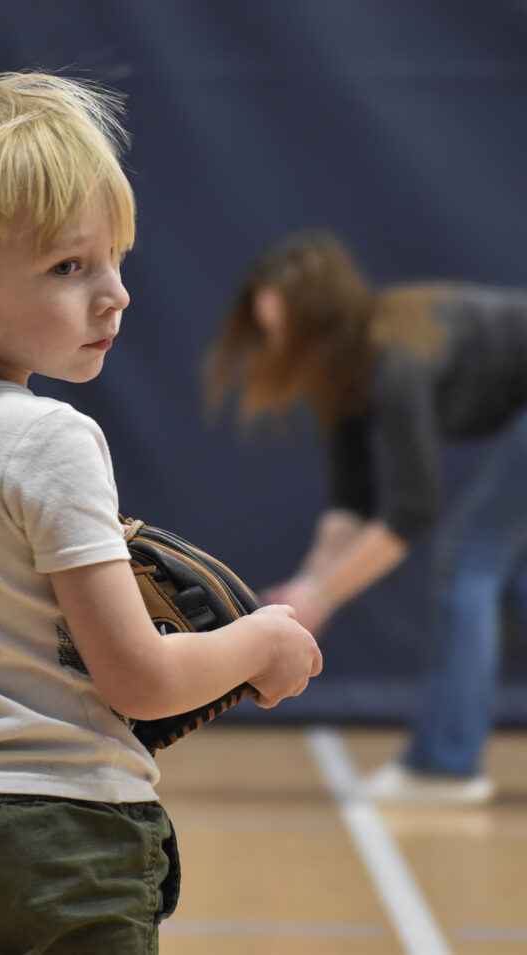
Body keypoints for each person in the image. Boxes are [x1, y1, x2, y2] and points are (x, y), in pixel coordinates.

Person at [0, 72, 322, 953]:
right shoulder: (51, 438)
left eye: (114, 258)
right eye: (69, 267)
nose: (113, 292)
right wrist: (264, 642)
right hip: (62, 846)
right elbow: (140, 681)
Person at [204, 228, 527, 806]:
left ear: (319, 324)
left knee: (469, 560)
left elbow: (411, 510)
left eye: (283, 331)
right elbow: (350, 506)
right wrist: (305, 589)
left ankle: (445, 769)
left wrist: (321, 596)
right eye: (265, 330)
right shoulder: (347, 377)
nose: (273, 346)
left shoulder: (394, 360)